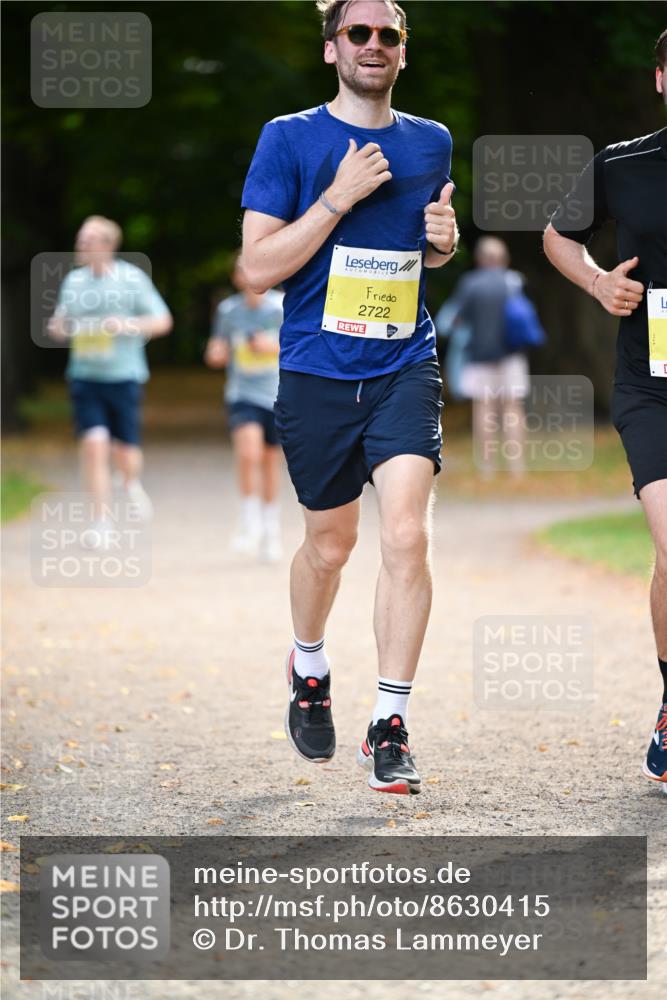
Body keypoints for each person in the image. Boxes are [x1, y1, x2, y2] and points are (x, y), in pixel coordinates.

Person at [241, 0, 458, 794]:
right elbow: (257, 269)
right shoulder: (287, 137)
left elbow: (424, 250)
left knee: (406, 537)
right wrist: (336, 197)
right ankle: (308, 664)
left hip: (405, 362)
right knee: (329, 546)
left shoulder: (430, 140)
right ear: (331, 46)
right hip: (316, 371)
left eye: (388, 35)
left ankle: (389, 723)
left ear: (404, 51)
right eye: (358, 33)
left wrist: (442, 242)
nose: (373, 45)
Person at [543, 29, 667, 790]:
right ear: (659, 77)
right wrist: (597, 285)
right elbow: (557, 238)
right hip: (652, 384)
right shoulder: (622, 164)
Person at [48, 216, 172, 546]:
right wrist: (60, 328)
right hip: (85, 378)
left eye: (87, 240)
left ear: (107, 245)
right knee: (93, 446)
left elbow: (162, 321)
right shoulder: (73, 282)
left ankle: (130, 481)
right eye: (79, 240)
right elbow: (58, 323)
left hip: (124, 377)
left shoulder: (132, 279)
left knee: (125, 451)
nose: (81, 246)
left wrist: (128, 324)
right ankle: (101, 522)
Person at [205, 256, 284, 562]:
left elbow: (301, 344)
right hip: (242, 393)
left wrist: (272, 345)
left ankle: (270, 529)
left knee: (269, 461)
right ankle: (249, 521)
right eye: (241, 270)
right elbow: (216, 348)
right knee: (248, 452)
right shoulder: (229, 311)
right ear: (237, 277)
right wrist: (216, 353)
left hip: (276, 396)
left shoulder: (282, 307)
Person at [440, 237, 531, 476]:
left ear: (479, 259)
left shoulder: (470, 283)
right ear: (504, 259)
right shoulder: (514, 281)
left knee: (484, 410)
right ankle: (516, 467)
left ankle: (487, 468)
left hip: (479, 356)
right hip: (511, 355)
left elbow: (456, 320)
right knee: (512, 409)